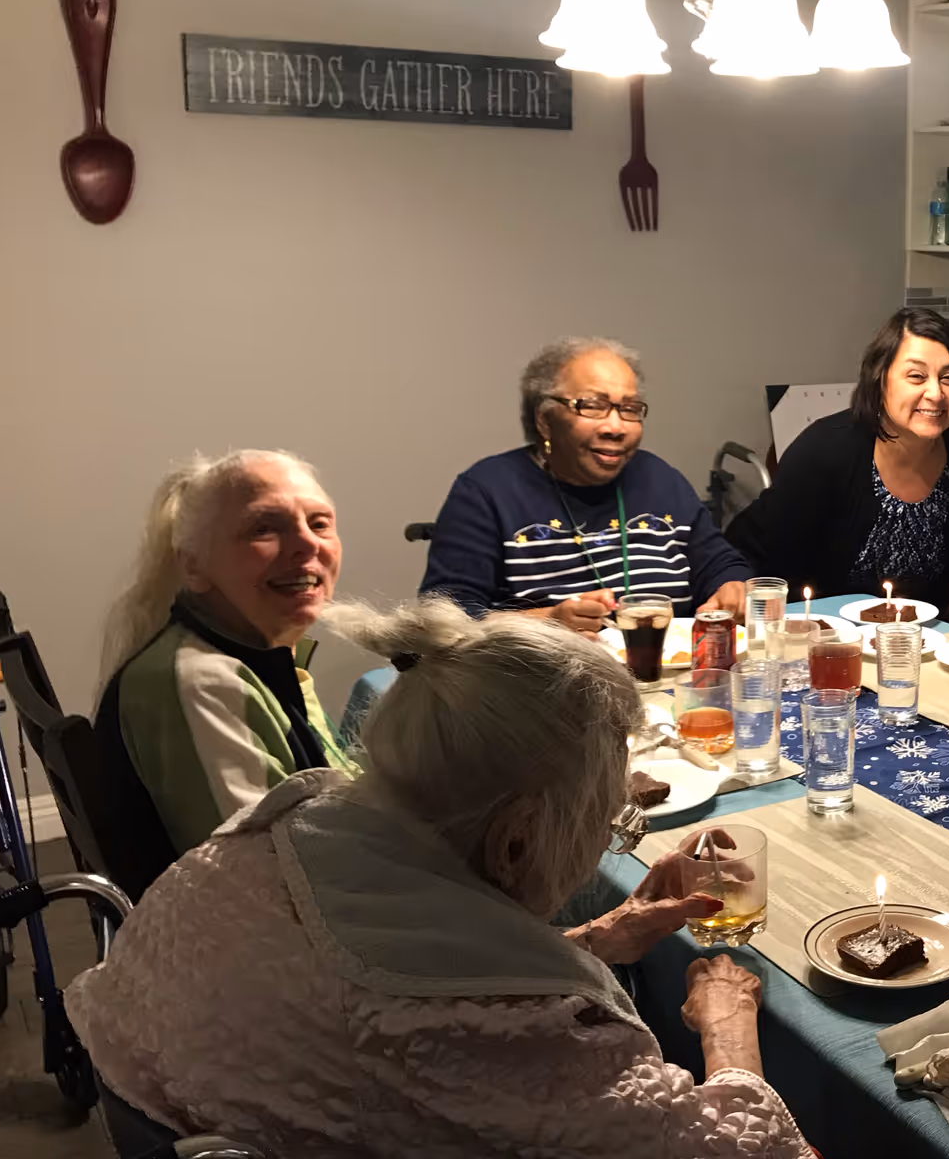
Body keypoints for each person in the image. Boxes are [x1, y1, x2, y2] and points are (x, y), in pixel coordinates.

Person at [69, 597, 811, 1159]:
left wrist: (589, 940)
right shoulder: (515, 1030)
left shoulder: (283, 833)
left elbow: (376, 965)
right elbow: (745, 1150)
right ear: (518, 841)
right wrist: (726, 1024)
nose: (605, 846)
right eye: (613, 824)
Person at [93, 450, 358, 889]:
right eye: (264, 527)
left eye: (319, 523)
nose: (307, 544)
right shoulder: (199, 682)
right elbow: (262, 884)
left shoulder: (265, 656)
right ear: (193, 565)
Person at [421, 336, 752, 631]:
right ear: (545, 421)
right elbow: (442, 619)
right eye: (592, 406)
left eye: (630, 409)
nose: (616, 426)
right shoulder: (486, 491)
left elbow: (721, 563)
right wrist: (548, 621)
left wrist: (732, 587)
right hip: (539, 683)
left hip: (669, 673)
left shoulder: (660, 478)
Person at [726, 308, 949, 610]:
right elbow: (762, 559)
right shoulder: (825, 452)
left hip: (905, 640)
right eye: (916, 376)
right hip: (805, 627)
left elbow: (942, 590)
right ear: (880, 382)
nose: (936, 392)